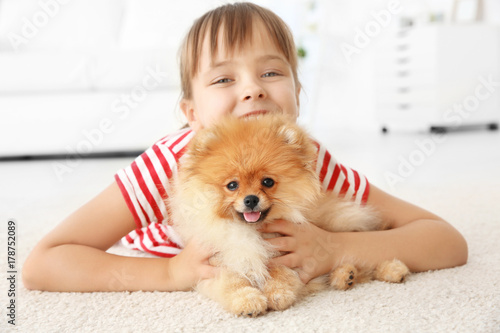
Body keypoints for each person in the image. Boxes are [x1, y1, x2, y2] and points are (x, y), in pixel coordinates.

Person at [22, 2, 467, 292]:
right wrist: (168, 272)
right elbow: (44, 263)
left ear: (298, 93)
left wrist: (333, 248)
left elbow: (445, 241)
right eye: (223, 79)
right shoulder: (167, 165)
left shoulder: (303, 159)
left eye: (271, 73)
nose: (253, 90)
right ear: (191, 115)